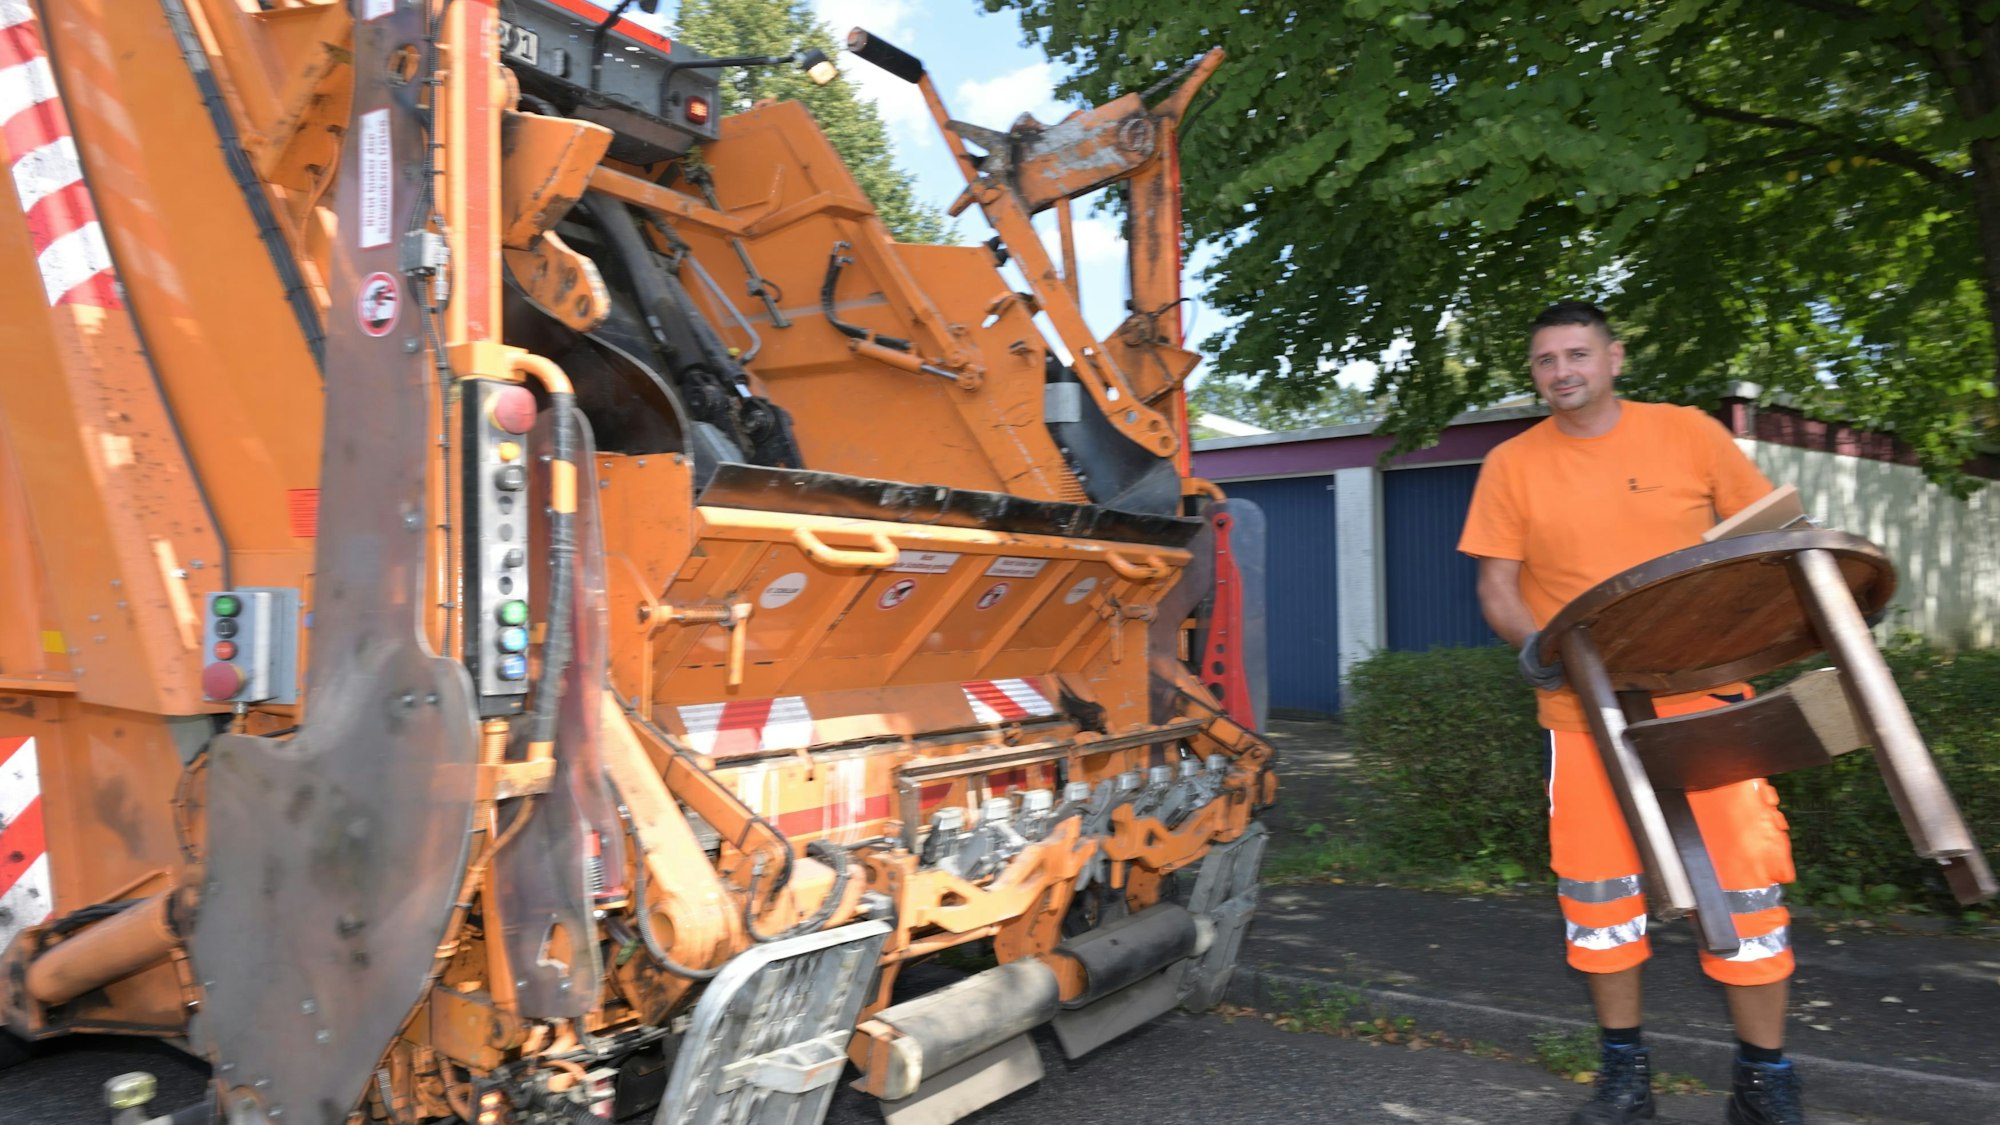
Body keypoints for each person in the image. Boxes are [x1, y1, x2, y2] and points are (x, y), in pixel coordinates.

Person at [1456, 301, 1805, 1125]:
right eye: (1545, 360)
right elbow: (1497, 589)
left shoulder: (1685, 432)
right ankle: (1624, 1076)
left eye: (1577, 353)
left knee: (1748, 893)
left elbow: (1769, 532)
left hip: (1707, 701)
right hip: (1584, 714)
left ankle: (1766, 1079)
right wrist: (1548, 650)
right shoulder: (1512, 464)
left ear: (1615, 357)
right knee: (1600, 899)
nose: (1561, 371)